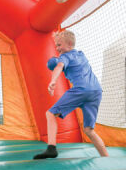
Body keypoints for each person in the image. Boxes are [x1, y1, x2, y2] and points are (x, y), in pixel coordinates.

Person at [34, 30, 109, 159]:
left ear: (69, 44)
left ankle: (51, 148)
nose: (57, 49)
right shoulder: (81, 55)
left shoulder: (65, 56)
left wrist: (53, 81)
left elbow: (59, 66)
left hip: (81, 90)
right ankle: (106, 158)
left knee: (50, 114)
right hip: (96, 92)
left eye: (59, 45)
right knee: (89, 131)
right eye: (56, 46)